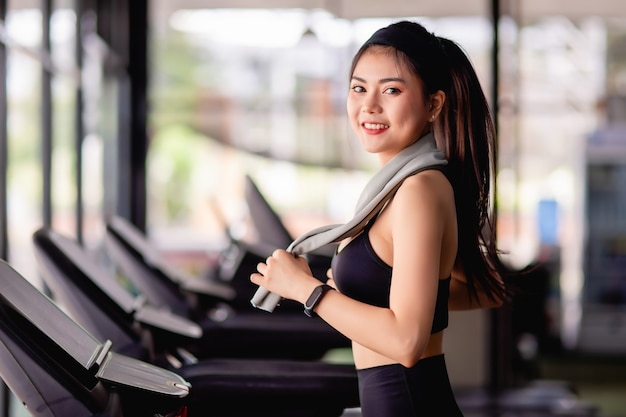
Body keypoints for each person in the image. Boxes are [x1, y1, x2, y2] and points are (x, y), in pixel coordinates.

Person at [250, 20, 507, 417]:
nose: (369, 105)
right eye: (358, 88)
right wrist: (383, 296)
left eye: (391, 89)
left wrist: (309, 291)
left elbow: (406, 343)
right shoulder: (399, 185)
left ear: (433, 104)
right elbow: (485, 288)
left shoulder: (418, 190)